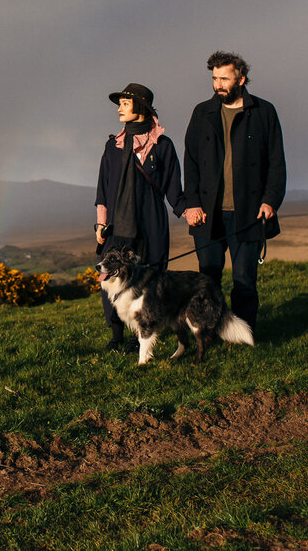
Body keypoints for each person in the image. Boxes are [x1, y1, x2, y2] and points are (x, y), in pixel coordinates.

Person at [182, 52, 286, 333]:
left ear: (240, 78)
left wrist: (270, 201)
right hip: (208, 214)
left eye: (224, 78)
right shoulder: (201, 112)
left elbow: (276, 162)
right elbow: (190, 161)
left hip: (249, 213)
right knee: (208, 280)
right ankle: (210, 333)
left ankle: (243, 334)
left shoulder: (264, 112)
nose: (218, 84)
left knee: (244, 279)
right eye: (214, 78)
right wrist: (191, 204)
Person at [95, 83, 188, 351]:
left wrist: (188, 211)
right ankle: (116, 338)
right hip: (116, 225)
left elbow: (173, 186)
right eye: (120, 104)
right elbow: (103, 186)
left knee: (152, 282)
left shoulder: (162, 145)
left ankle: (143, 336)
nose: (119, 109)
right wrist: (100, 222)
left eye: (125, 103)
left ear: (141, 107)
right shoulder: (112, 146)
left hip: (151, 224)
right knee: (111, 278)